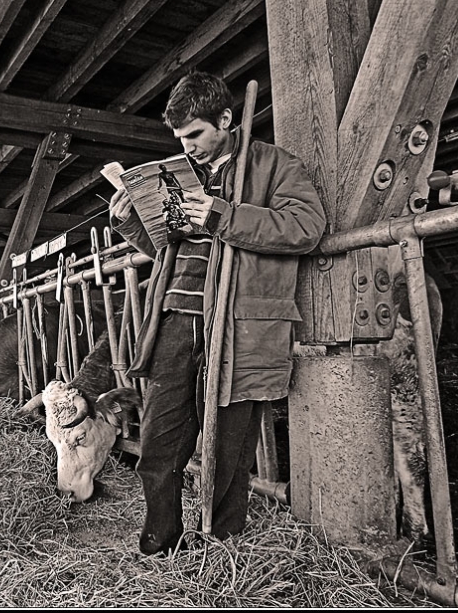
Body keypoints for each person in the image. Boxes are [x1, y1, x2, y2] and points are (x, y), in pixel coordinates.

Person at [109, 71, 326, 555]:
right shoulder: (183, 172)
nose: (188, 148)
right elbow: (164, 248)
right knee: (160, 441)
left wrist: (220, 215)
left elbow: (306, 227)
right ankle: (161, 540)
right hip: (173, 320)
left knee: (229, 447)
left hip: (240, 324)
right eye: (179, 139)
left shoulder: (274, 166)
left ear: (225, 119)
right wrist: (129, 220)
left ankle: (223, 548)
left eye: (195, 135)